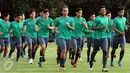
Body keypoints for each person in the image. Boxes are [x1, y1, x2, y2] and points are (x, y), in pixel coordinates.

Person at [89, 6, 109, 72]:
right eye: (102, 10)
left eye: (104, 10)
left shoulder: (106, 18)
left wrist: (107, 29)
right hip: (97, 38)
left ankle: (104, 67)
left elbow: (105, 27)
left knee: (105, 51)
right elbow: (92, 28)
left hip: (104, 37)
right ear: (99, 12)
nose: (104, 11)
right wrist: (101, 28)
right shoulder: (97, 18)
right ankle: (91, 62)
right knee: (94, 52)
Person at [55, 6, 74, 71]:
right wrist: (56, 31)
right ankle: (61, 65)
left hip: (68, 37)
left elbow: (73, 28)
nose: (65, 12)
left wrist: (69, 26)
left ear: (68, 12)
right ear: (62, 12)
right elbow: (55, 26)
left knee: (65, 52)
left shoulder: (71, 19)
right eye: (64, 11)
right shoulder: (58, 19)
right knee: (64, 50)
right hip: (61, 36)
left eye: (66, 11)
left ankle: (62, 62)